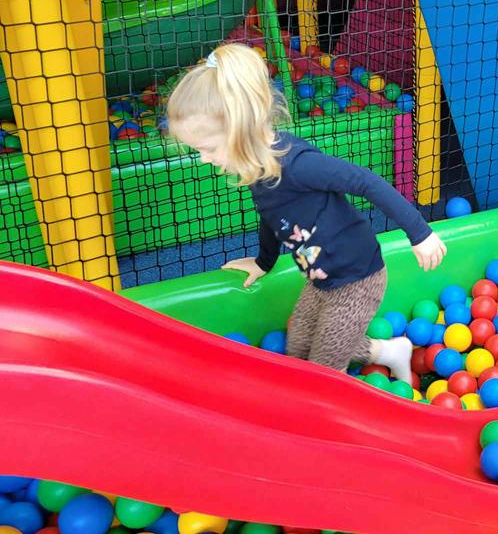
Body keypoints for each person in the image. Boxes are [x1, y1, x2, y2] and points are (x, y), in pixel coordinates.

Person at [166, 43, 446, 383]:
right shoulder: (256, 167)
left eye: (207, 148)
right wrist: (263, 262)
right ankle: (390, 351)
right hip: (321, 277)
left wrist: (420, 233)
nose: (203, 158)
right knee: (298, 349)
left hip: (358, 276)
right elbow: (273, 217)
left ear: (241, 127)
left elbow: (366, 181)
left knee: (325, 371)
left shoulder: (297, 166)